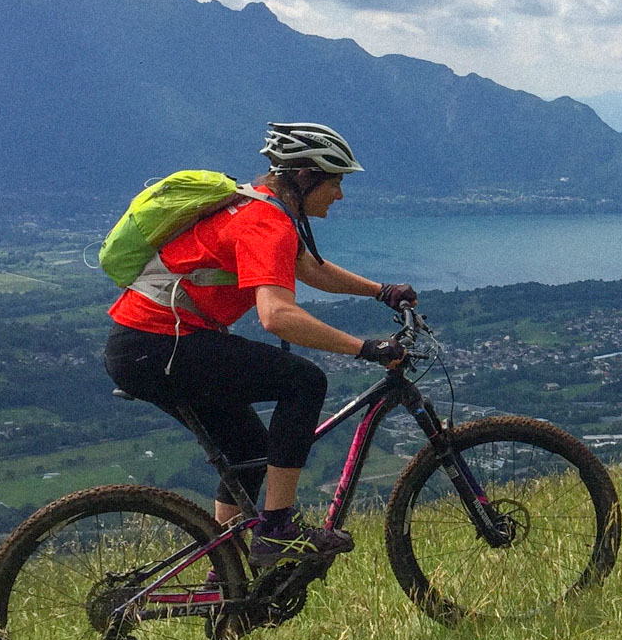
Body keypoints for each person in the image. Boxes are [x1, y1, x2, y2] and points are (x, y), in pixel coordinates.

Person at [103, 122, 417, 567]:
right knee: (304, 382)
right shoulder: (266, 221)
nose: (340, 195)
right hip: (159, 345)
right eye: (336, 182)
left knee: (249, 452)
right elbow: (277, 316)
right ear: (306, 176)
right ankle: (276, 529)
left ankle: (226, 578)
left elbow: (310, 268)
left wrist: (380, 290)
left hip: (145, 345)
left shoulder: (257, 206)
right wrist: (363, 347)